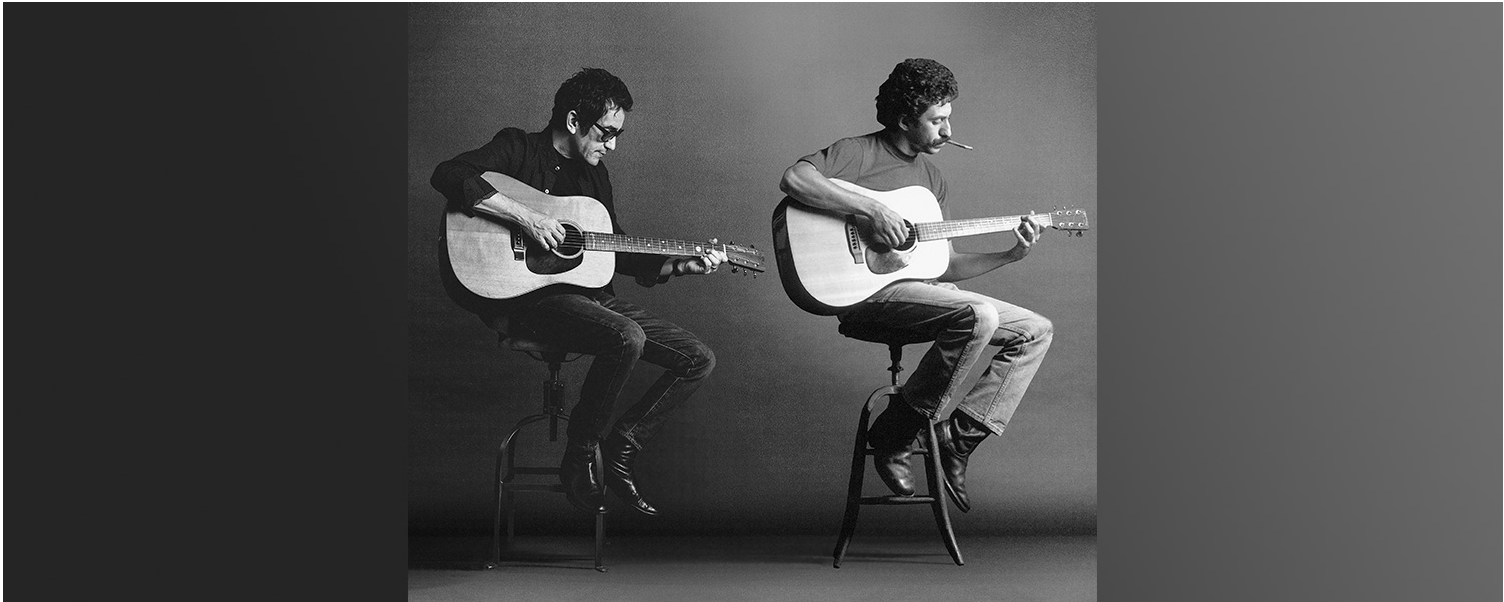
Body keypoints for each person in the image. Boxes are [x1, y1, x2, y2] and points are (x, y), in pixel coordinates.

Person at [431, 67, 727, 516]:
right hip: (528, 301)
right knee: (627, 336)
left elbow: (616, 248)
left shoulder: (596, 179)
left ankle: (621, 449)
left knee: (698, 359)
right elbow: (449, 174)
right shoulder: (518, 147)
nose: (612, 145)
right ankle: (581, 454)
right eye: (606, 133)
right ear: (573, 122)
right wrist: (525, 218)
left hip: (590, 301)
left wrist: (679, 265)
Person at [778, 58, 1053, 513]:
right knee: (977, 315)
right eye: (938, 120)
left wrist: (1010, 255)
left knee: (1035, 330)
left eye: (949, 118)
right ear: (906, 120)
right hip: (866, 298)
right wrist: (870, 211)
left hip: (921, 294)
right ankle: (896, 433)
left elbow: (938, 266)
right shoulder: (858, 152)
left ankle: (956, 439)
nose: (948, 130)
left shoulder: (931, 179)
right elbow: (794, 179)